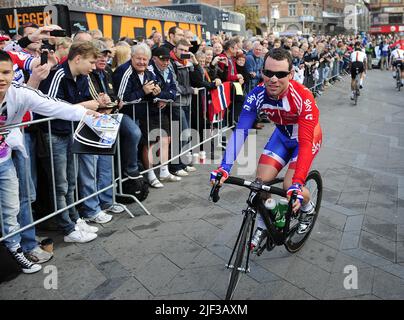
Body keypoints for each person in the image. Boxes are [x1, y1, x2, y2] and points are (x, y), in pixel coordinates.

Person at [210, 48, 322, 248]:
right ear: (262, 72)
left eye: (280, 74)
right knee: (260, 184)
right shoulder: (257, 95)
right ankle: (266, 220)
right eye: (268, 73)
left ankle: (308, 208)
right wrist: (224, 167)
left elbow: (305, 143)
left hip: (306, 139)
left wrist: (297, 182)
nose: (273, 79)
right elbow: (241, 132)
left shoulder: (303, 97)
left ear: (290, 74)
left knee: (289, 187)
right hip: (281, 136)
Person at [0, 50, 98, 273]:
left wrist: (84, 114)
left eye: (6, 72)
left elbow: (54, 105)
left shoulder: (19, 92)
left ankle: (15, 251)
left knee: (11, 207)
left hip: (4, 158)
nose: (2, 78)